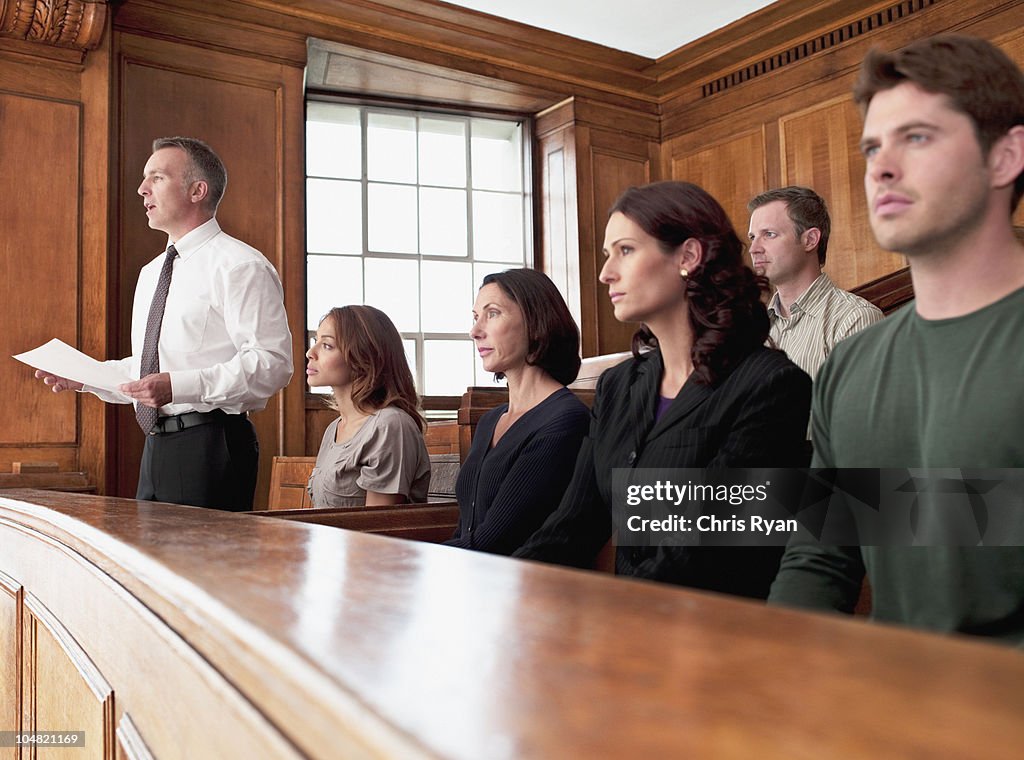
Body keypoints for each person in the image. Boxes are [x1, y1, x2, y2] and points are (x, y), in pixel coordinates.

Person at [768, 35, 1024, 644]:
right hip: (891, 712)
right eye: (872, 147)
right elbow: (821, 555)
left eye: (916, 137)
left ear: (1006, 156)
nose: (880, 166)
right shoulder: (851, 365)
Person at [514, 181, 812, 599]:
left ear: (688, 256)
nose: (605, 273)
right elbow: (572, 525)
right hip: (633, 631)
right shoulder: (618, 386)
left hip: (718, 638)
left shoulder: (771, 385)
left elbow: (699, 552)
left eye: (626, 250)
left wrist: (606, 618)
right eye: (607, 254)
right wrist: (499, 588)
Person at [36, 136, 292, 511]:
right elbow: (150, 369)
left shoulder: (240, 265)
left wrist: (179, 386)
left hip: (213, 444)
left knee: (202, 570)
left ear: (196, 190)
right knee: (152, 568)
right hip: (156, 446)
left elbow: (272, 363)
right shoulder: (152, 272)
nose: (142, 190)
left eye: (156, 177)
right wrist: (86, 378)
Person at [444, 269, 589, 555]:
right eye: (475, 317)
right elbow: (467, 529)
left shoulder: (565, 420)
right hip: (474, 576)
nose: (475, 331)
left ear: (536, 322)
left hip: (528, 588)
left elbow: (496, 542)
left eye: (493, 314)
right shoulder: (490, 421)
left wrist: (407, 561)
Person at [747, 186, 882, 380]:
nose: (753, 248)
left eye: (769, 234)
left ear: (810, 240)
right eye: (752, 237)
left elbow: (860, 409)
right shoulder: (754, 330)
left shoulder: (855, 319)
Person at [306, 305, 430, 508]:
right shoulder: (333, 429)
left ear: (362, 357)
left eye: (327, 345)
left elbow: (377, 528)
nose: (310, 353)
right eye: (316, 342)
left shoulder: (390, 425)